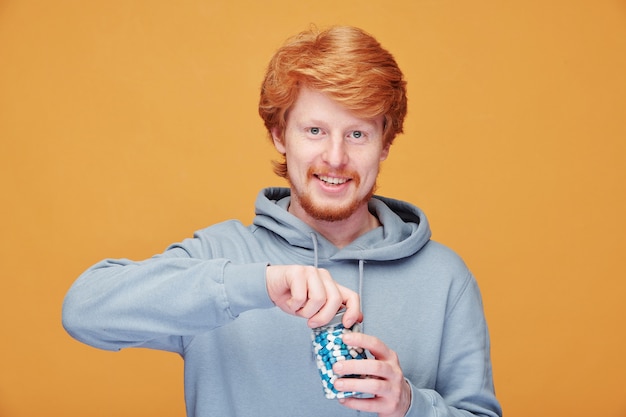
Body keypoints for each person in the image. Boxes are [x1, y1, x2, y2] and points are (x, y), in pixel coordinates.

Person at [62, 25, 502, 417]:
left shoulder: (444, 277)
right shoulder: (222, 257)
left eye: (357, 134)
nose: (335, 157)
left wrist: (410, 405)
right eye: (314, 131)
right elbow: (84, 311)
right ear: (279, 135)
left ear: (385, 144)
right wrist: (257, 285)